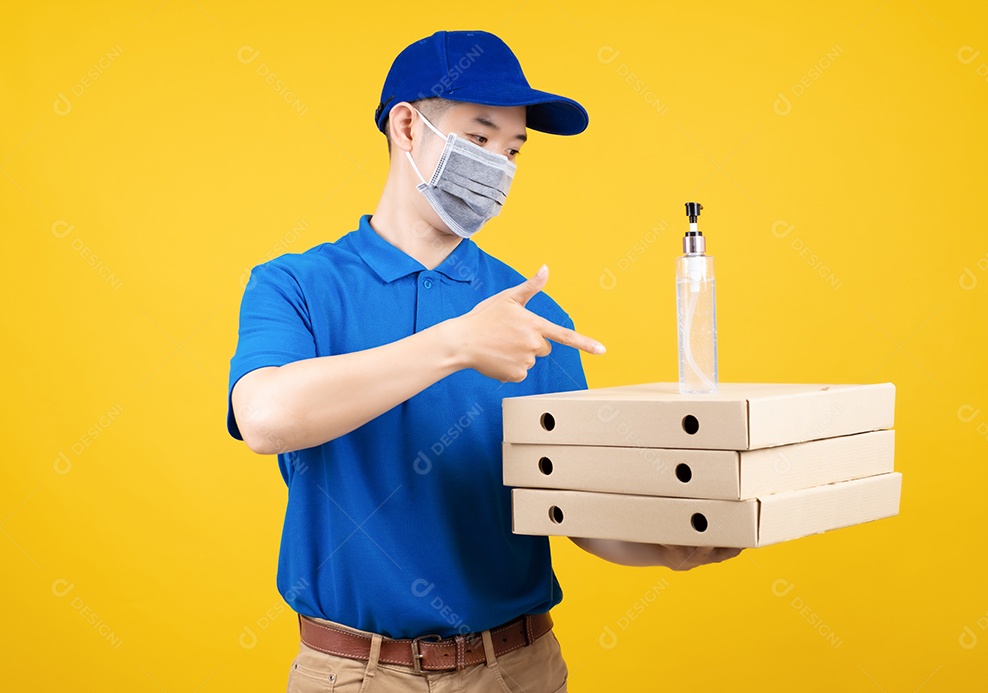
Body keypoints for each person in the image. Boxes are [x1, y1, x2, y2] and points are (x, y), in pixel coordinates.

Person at [227, 30, 741, 693]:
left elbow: (569, 507)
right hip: (353, 674)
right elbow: (266, 417)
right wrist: (457, 344)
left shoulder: (532, 316)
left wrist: (666, 546)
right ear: (406, 128)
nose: (498, 165)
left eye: (513, 149)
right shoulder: (298, 285)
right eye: (478, 138)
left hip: (515, 669)